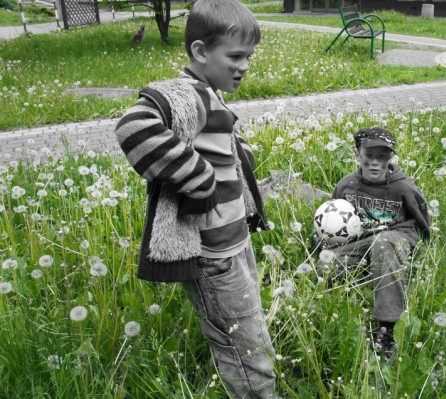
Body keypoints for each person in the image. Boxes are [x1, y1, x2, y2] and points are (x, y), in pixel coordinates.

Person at [114, 0, 276, 396]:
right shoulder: (190, 94)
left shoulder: (209, 93)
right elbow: (133, 127)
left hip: (233, 244)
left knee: (248, 328)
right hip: (211, 255)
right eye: (235, 56)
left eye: (248, 58)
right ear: (201, 51)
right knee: (245, 347)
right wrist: (200, 178)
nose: (243, 66)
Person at [317, 126, 430, 361]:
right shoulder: (346, 186)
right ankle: (374, 277)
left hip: (394, 238)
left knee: (383, 243)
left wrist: (421, 248)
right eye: (369, 156)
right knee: (326, 266)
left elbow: (422, 221)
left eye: (383, 157)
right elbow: (331, 219)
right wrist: (323, 243)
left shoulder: (403, 187)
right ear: (357, 155)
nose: (375, 163)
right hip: (362, 242)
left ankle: (387, 327)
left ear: (391, 158)